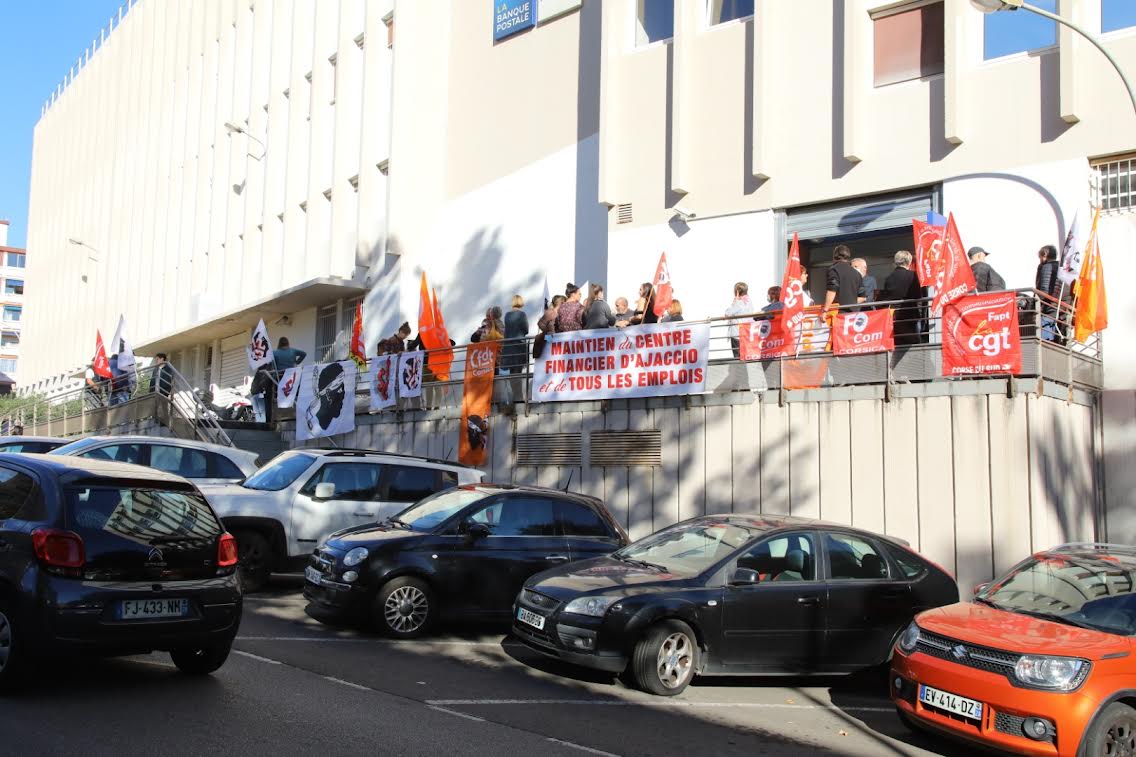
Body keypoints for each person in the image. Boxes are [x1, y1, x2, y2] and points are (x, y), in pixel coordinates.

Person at [879, 250, 925, 346]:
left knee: (898, 343)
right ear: (908, 261)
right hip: (909, 314)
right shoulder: (912, 275)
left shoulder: (889, 278)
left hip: (894, 316)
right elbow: (918, 295)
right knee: (914, 343)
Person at [1035, 245, 1063, 342]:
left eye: (1040, 257)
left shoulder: (1047, 267)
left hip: (1050, 308)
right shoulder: (1062, 268)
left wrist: (1034, 303)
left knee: (1044, 336)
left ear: (1045, 254)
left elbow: (1044, 290)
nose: (1039, 260)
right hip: (1060, 309)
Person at [824, 245, 864, 310]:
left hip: (838, 313)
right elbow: (862, 297)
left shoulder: (834, 270)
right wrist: (850, 304)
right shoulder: (857, 273)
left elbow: (832, 291)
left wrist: (825, 310)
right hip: (853, 314)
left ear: (834, 256)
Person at [502, 295, 529, 374]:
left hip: (508, 347)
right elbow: (526, 330)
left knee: (512, 372)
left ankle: (514, 386)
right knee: (518, 371)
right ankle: (518, 387)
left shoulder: (507, 315)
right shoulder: (522, 314)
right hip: (519, 346)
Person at [725, 282, 752, 358]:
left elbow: (727, 313)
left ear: (737, 291)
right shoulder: (748, 301)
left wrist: (734, 302)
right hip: (746, 331)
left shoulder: (739, 303)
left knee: (737, 356)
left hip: (737, 333)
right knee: (745, 355)